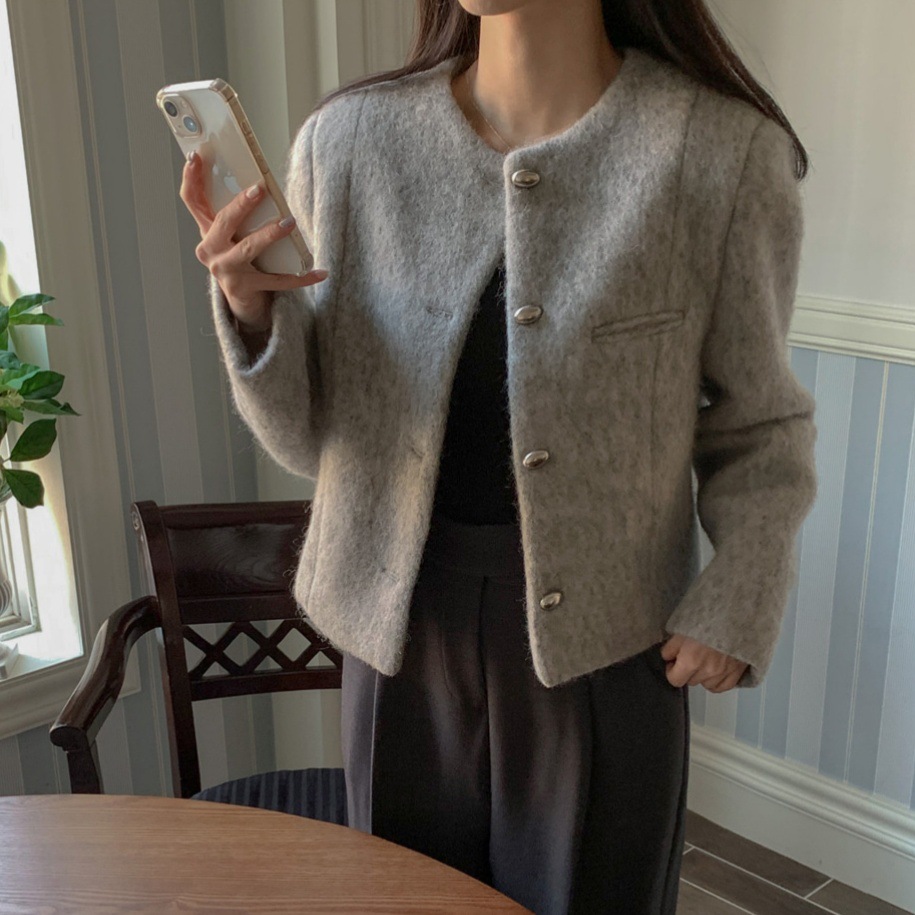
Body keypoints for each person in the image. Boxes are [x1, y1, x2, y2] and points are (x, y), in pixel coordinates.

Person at [178, 1, 819, 912]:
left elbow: (761, 424)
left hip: (605, 647)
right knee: (404, 901)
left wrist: (739, 591)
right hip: (397, 633)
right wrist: (253, 315)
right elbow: (307, 437)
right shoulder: (349, 142)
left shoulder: (719, 152)